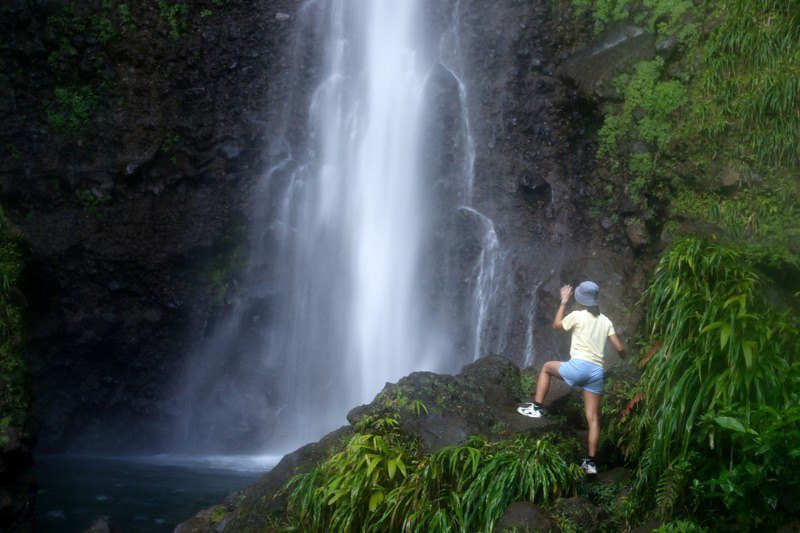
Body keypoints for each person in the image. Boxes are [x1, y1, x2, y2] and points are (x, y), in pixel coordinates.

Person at [517, 281, 626, 475]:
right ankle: (590, 462)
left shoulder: (577, 315)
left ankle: (536, 408)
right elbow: (619, 348)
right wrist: (625, 358)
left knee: (546, 368)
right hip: (595, 372)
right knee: (593, 418)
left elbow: (556, 324)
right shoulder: (606, 321)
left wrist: (563, 301)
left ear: (581, 300)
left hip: (578, 367)